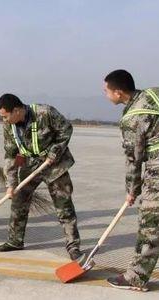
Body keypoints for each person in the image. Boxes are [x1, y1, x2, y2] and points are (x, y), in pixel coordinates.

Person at [0, 93, 83, 262]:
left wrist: (55, 151)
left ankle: (73, 246)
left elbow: (66, 129)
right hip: (30, 164)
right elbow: (11, 154)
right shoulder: (9, 126)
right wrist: (11, 184)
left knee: (64, 206)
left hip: (55, 165)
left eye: (6, 116)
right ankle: (15, 240)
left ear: (17, 110)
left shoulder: (45, 113)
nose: (4, 121)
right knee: (19, 200)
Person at [104, 69, 159, 292]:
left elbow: (134, 160)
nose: (106, 95)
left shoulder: (131, 118)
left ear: (118, 93)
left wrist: (132, 190)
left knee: (150, 226)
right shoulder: (154, 93)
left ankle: (136, 277)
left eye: (106, 91)